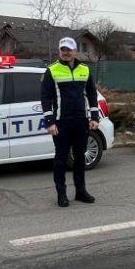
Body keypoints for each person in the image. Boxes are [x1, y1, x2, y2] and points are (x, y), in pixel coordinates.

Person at [40, 37, 100, 207]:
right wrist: (50, 122)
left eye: (69, 50)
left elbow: (92, 94)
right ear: (60, 51)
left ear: (75, 51)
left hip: (81, 121)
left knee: (79, 158)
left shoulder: (85, 69)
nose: (66, 53)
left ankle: (81, 191)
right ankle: (62, 194)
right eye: (63, 50)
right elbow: (45, 97)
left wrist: (94, 117)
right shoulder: (52, 70)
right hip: (61, 122)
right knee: (61, 159)